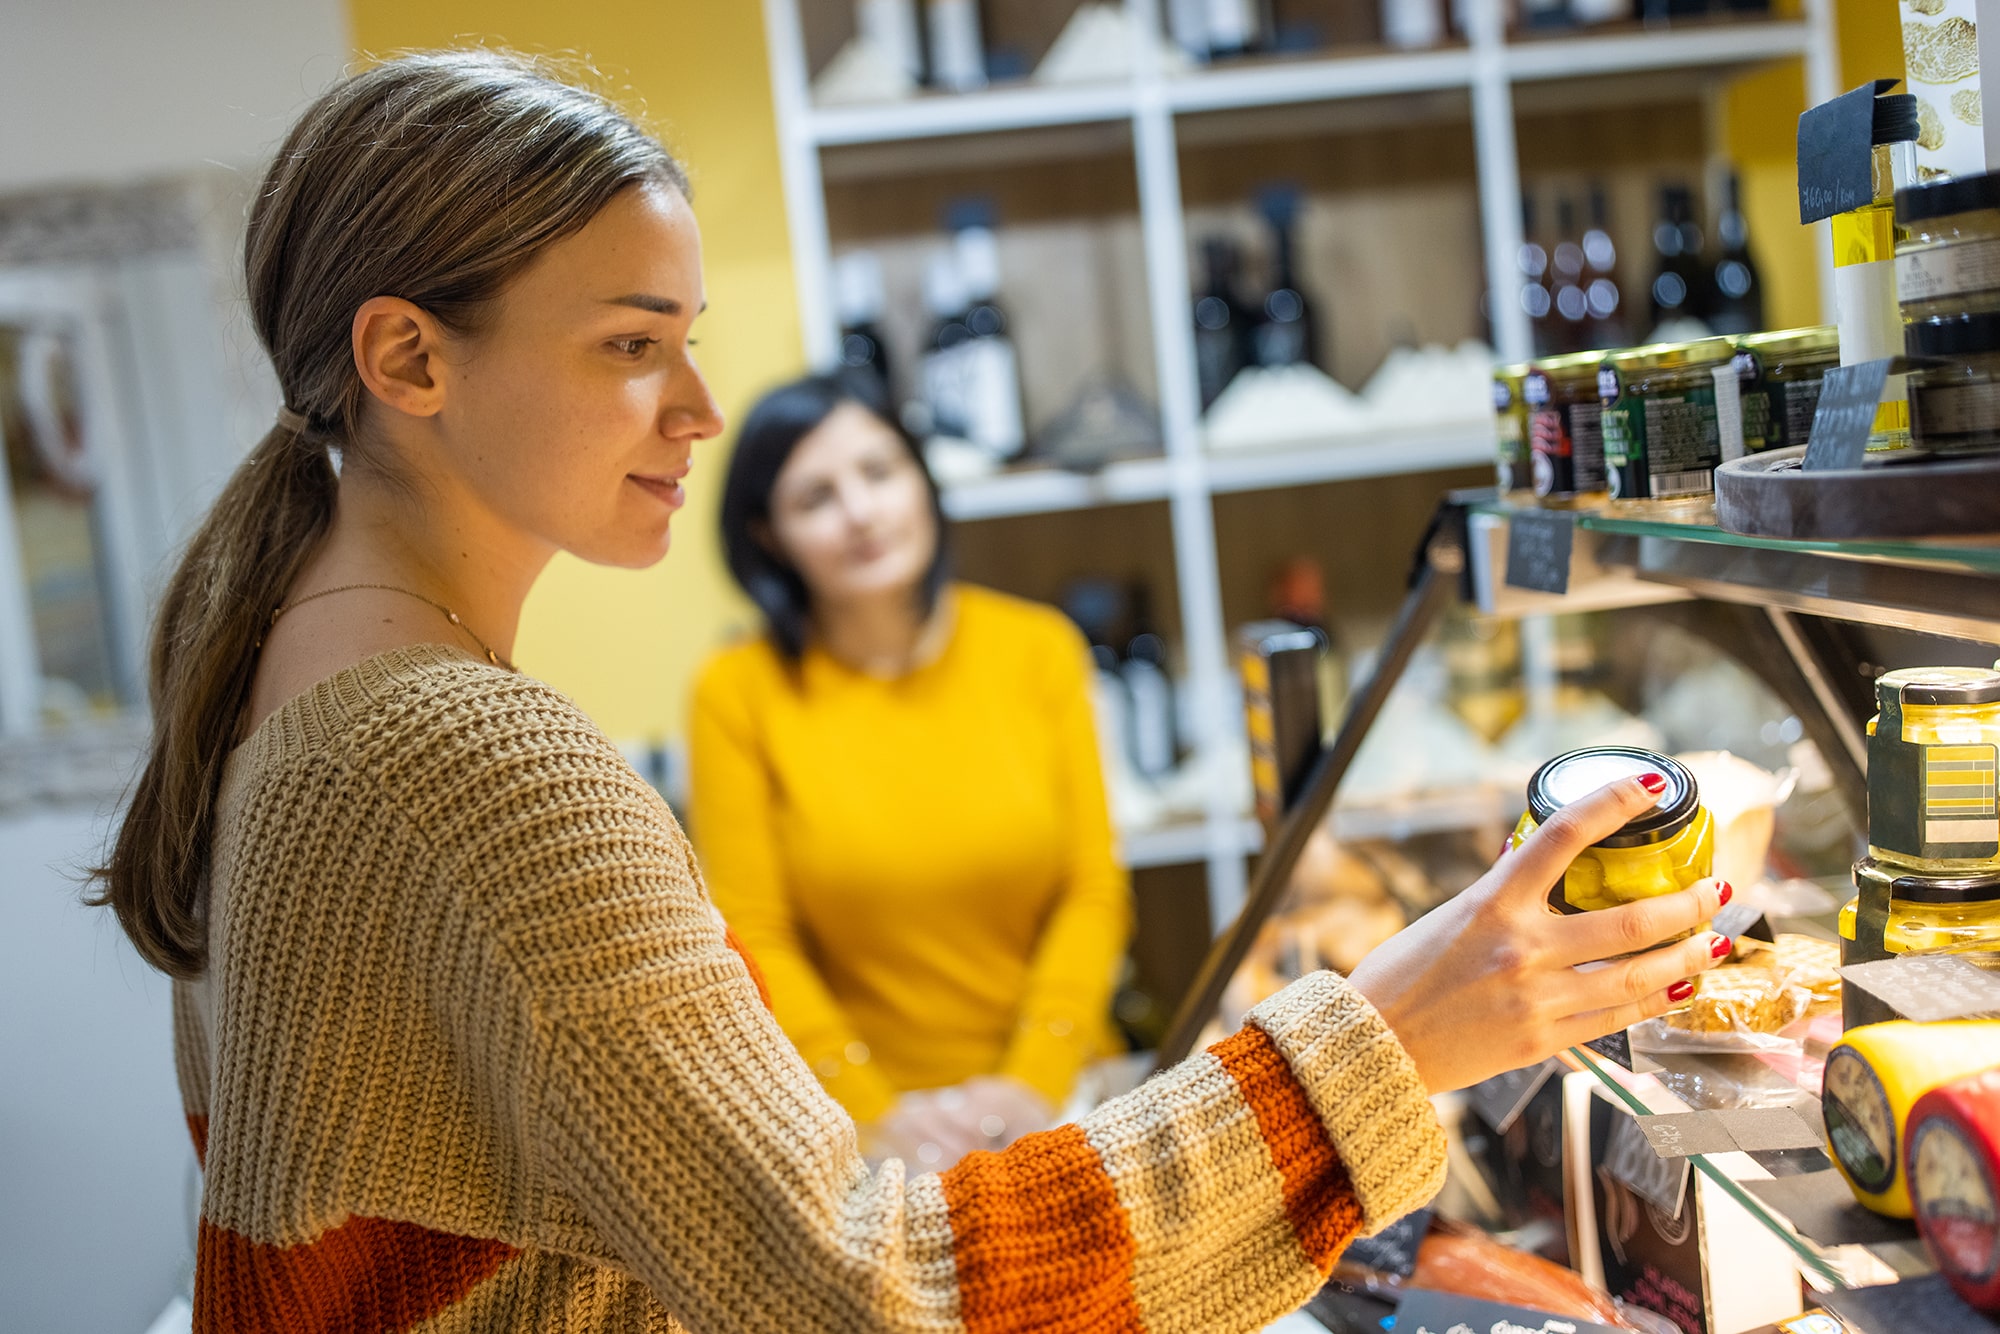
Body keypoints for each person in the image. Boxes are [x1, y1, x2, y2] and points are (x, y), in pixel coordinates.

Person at [94, 51, 1731, 1330]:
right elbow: (883, 1294)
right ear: (408, 359)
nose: (703, 406)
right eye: (627, 345)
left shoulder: (278, 673)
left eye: (688, 338)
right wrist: (1389, 1029)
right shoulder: (458, 750)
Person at [690, 372, 1130, 1170]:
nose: (860, 512)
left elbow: (1092, 889)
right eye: (816, 497)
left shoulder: (1039, 651)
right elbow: (754, 936)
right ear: (766, 534)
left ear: (923, 483)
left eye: (880, 473)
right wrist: (876, 1113)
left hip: (1066, 1099)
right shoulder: (737, 693)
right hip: (865, 1138)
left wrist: (1031, 1082)